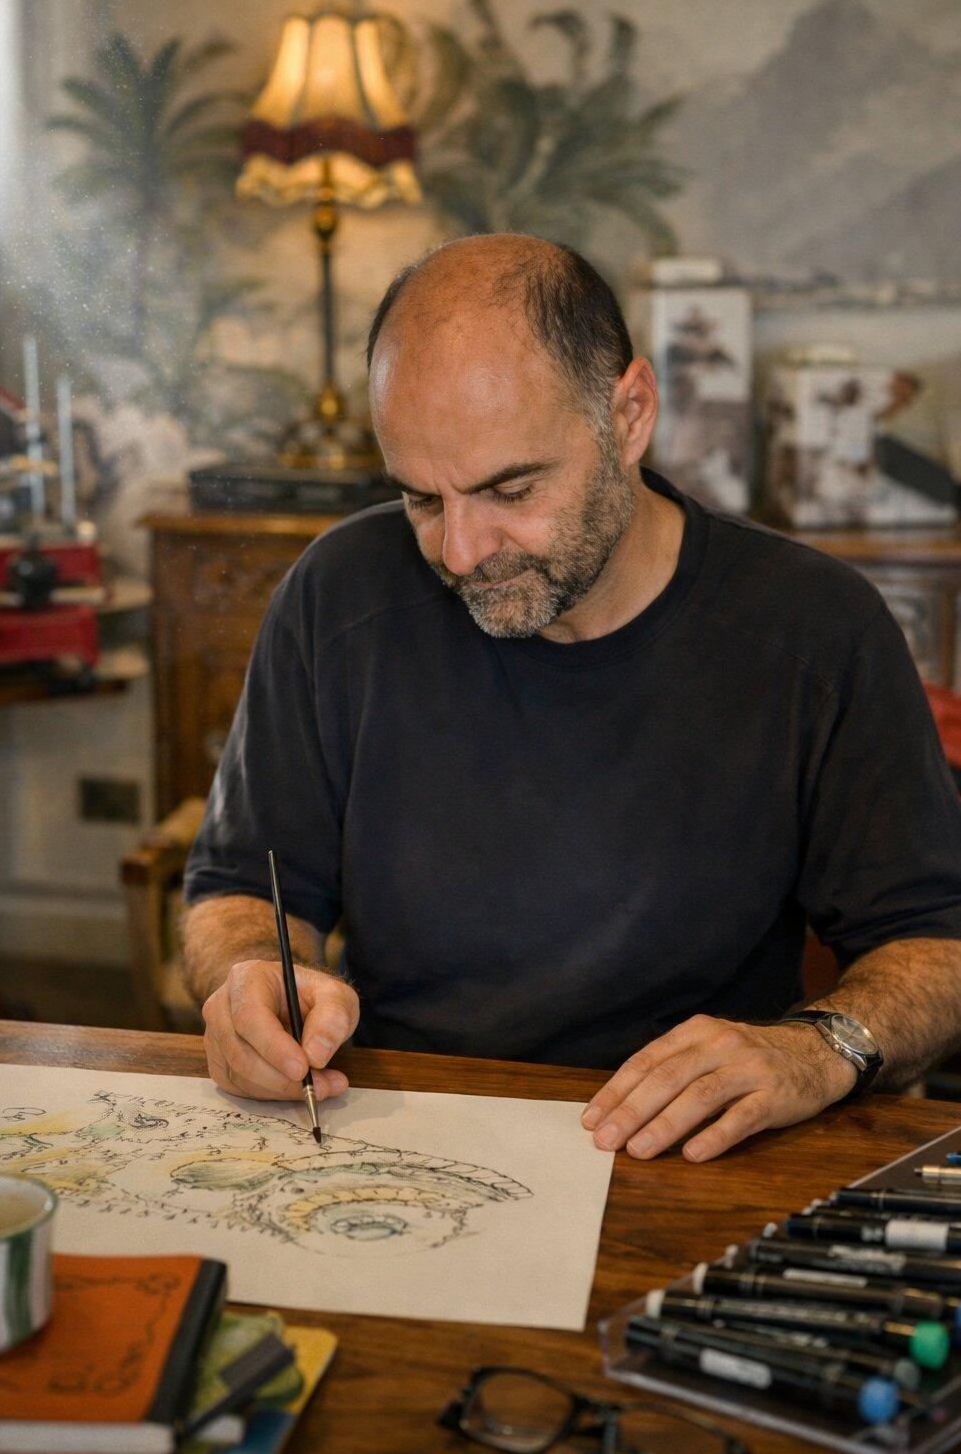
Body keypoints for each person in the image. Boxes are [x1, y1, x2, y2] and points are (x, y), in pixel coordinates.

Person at [182, 234, 961, 1164]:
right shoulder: (338, 593)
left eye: (509, 487)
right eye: (421, 500)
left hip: (684, 1153)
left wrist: (815, 1047)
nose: (462, 553)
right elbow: (240, 886)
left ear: (628, 415)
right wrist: (250, 979)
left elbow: (937, 943)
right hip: (392, 1131)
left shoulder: (816, 627)